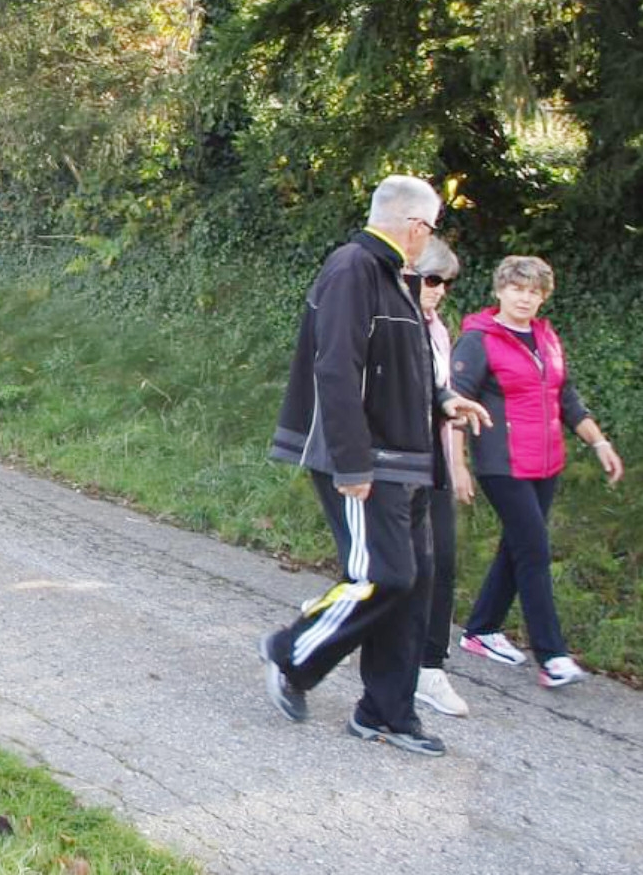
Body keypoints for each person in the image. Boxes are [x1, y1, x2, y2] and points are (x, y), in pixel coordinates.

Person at [259, 175, 489, 758]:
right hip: (367, 462)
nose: (428, 240)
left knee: (413, 588)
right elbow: (336, 368)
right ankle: (292, 652)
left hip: (410, 460)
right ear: (416, 226)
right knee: (382, 575)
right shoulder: (352, 270)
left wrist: (445, 401)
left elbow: (408, 367)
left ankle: (385, 714)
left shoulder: (399, 280)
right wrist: (351, 462)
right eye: (430, 228)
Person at [452, 256, 624, 688]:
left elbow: (566, 398)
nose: (525, 297)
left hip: (546, 462)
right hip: (501, 463)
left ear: (544, 296)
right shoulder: (478, 340)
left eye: (534, 291)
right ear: (499, 290)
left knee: (518, 546)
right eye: (517, 288)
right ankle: (552, 657)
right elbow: (453, 405)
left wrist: (599, 442)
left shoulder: (546, 338)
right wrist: (458, 464)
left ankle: (481, 630)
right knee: (535, 550)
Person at [411, 236, 472, 718]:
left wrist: (456, 461)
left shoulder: (438, 330)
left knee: (442, 561)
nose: (439, 290)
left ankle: (430, 666)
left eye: (445, 282)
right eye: (431, 279)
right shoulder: (392, 325)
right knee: (394, 569)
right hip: (396, 460)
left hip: (432, 456)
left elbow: (443, 396)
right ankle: (332, 623)